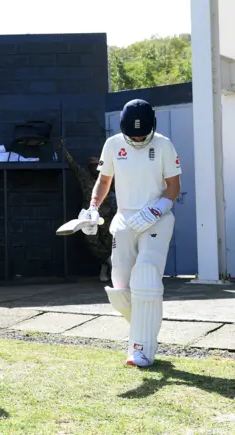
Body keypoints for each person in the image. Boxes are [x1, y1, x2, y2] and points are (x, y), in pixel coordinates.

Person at [81, 99, 181, 367]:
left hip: (156, 220)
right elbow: (104, 180)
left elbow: (173, 186)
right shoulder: (113, 144)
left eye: (142, 133)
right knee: (120, 288)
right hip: (125, 220)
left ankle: (140, 350)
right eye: (132, 134)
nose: (138, 138)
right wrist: (92, 208)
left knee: (146, 276)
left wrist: (158, 209)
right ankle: (145, 328)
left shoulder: (163, 144)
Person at [64, 149, 116, 281]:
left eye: (96, 165)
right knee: (92, 242)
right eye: (92, 166)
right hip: (89, 217)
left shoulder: (107, 178)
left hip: (106, 216)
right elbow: (73, 165)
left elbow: (121, 189)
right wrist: (63, 149)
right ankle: (109, 262)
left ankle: (105, 268)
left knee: (109, 243)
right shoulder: (85, 177)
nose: (94, 168)